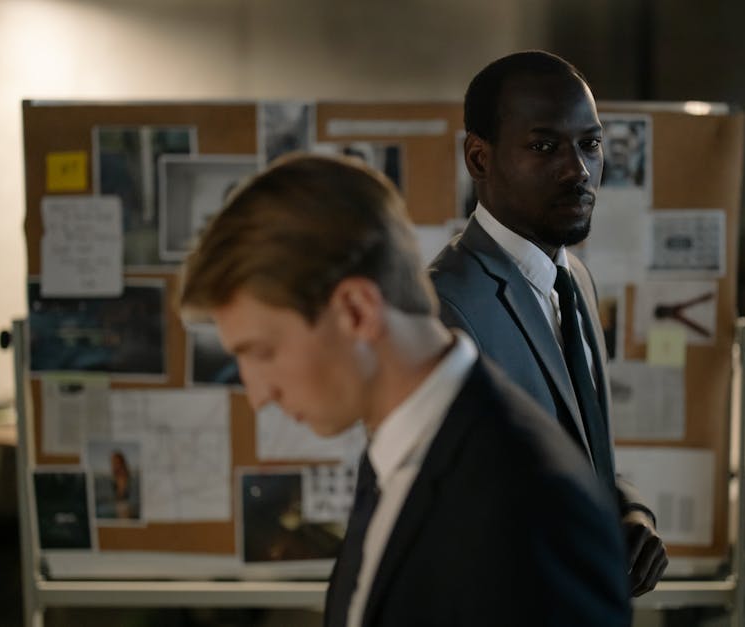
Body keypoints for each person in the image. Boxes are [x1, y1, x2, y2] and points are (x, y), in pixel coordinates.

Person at [179, 153, 631, 626]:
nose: (258, 396)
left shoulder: (534, 503)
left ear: (356, 310)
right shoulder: (397, 455)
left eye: (263, 352)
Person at [429, 50, 668, 596]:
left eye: (590, 144)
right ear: (479, 159)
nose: (578, 169)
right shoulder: (445, 308)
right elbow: (454, 520)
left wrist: (629, 511)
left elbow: (575, 452)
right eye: (544, 146)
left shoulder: (575, 279)